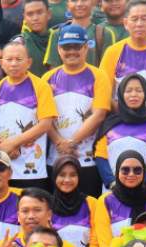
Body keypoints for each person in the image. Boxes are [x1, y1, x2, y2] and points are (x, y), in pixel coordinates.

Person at [43, 24, 112, 197]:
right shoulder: (47, 78)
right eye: (67, 47)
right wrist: (60, 142)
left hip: (88, 162)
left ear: (86, 47)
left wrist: (71, 142)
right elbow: (44, 118)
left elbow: (99, 114)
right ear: (59, 49)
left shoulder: (98, 75)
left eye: (76, 46)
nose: (71, 51)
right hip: (56, 160)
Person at [0, 41, 57, 189]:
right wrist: (2, 146)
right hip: (3, 163)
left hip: (32, 167)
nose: (13, 64)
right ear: (1, 63)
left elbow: (45, 124)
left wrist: (13, 143)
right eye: (9, 59)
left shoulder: (40, 86)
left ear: (29, 63)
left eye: (19, 59)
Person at [94, 74, 146, 189]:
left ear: (145, 93)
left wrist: (145, 183)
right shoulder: (109, 123)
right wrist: (112, 183)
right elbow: (100, 156)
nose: (134, 94)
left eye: (139, 90)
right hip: (115, 190)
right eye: (128, 90)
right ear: (120, 94)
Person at [94, 151, 146, 247]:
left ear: (144, 173)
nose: (131, 174)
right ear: (117, 172)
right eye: (125, 170)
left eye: (137, 170)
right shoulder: (105, 201)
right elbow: (105, 246)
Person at [50, 156, 98, 247]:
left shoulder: (91, 203)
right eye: (62, 175)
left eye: (73, 175)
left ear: (79, 177)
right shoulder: (47, 205)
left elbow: (94, 241)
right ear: (55, 176)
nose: (67, 180)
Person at [44, 0, 115, 68]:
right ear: (67, 5)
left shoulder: (105, 34)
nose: (79, 4)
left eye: (84, 0)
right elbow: (54, 73)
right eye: (74, 0)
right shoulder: (57, 34)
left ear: (92, 3)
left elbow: (108, 69)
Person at [21, 0, 52, 77]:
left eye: (39, 12)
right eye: (30, 14)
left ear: (49, 14)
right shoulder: (20, 43)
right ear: (24, 17)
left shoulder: (58, 39)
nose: (35, 18)